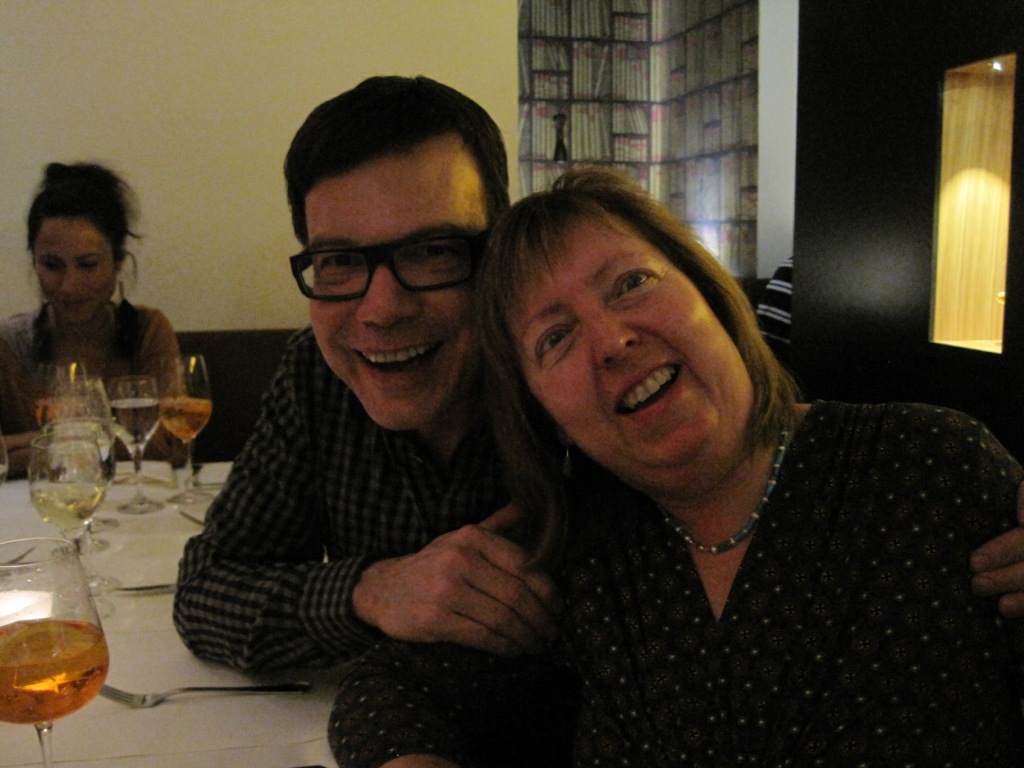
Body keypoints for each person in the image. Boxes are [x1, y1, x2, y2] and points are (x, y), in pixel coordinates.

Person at [329, 168, 1024, 767]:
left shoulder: (931, 470)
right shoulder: (585, 557)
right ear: (547, 415)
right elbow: (388, 690)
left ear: (710, 295)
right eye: (556, 337)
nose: (611, 341)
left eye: (630, 283)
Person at [0, 162, 180, 477]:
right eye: (52, 265)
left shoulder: (147, 330)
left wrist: (34, 444)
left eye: (87, 265)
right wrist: (101, 441)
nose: (68, 285)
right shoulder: (8, 344)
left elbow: (165, 445)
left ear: (117, 261)